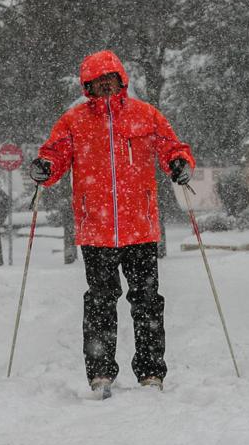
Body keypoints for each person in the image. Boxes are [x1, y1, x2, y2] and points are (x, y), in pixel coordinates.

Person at [31, 49, 194, 398]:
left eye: (110, 81)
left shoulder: (145, 116)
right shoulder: (74, 121)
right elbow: (55, 154)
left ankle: (151, 372)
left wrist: (179, 163)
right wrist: (45, 167)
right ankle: (100, 373)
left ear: (122, 82)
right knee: (101, 303)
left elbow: (171, 147)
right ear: (88, 87)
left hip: (140, 227)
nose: (105, 88)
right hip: (96, 230)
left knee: (147, 301)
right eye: (97, 83)